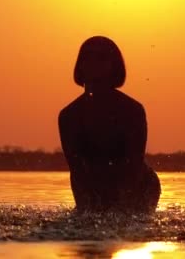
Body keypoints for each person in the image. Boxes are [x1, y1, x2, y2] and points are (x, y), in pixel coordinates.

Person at [58, 36, 160, 213]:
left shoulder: (132, 110)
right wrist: (84, 209)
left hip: (139, 187)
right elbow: (77, 171)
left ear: (114, 66)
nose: (93, 63)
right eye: (88, 57)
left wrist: (122, 206)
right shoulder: (69, 116)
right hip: (94, 185)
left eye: (101, 57)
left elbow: (134, 164)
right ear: (79, 65)